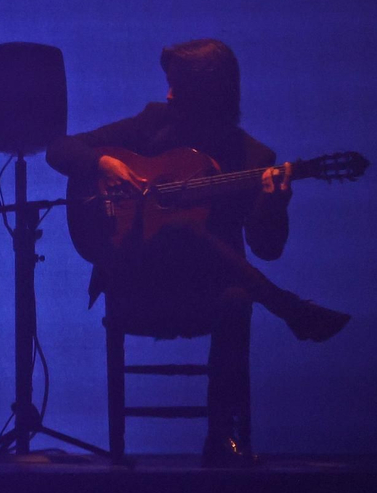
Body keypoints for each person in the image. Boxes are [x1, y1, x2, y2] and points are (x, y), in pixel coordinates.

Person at [45, 39, 349, 466]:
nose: (168, 94)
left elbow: (266, 248)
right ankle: (288, 307)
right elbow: (58, 148)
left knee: (232, 293)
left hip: (207, 286)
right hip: (137, 272)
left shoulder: (254, 158)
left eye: (177, 86)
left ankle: (222, 438)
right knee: (179, 231)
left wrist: (275, 202)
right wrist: (101, 163)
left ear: (209, 94)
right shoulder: (152, 124)